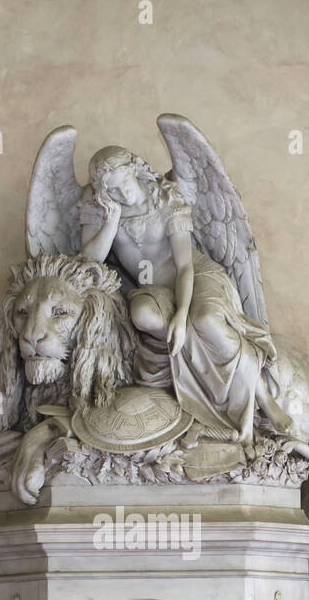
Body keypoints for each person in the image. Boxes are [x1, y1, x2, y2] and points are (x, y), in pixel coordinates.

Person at [79, 145, 294, 450]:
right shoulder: (98, 204)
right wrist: (110, 222)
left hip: (195, 277)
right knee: (141, 315)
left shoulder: (165, 198)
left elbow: (183, 266)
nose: (123, 195)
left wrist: (181, 316)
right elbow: (87, 263)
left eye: (126, 185)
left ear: (136, 172)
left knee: (203, 320)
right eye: (113, 190)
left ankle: (263, 397)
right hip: (151, 289)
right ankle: (203, 400)